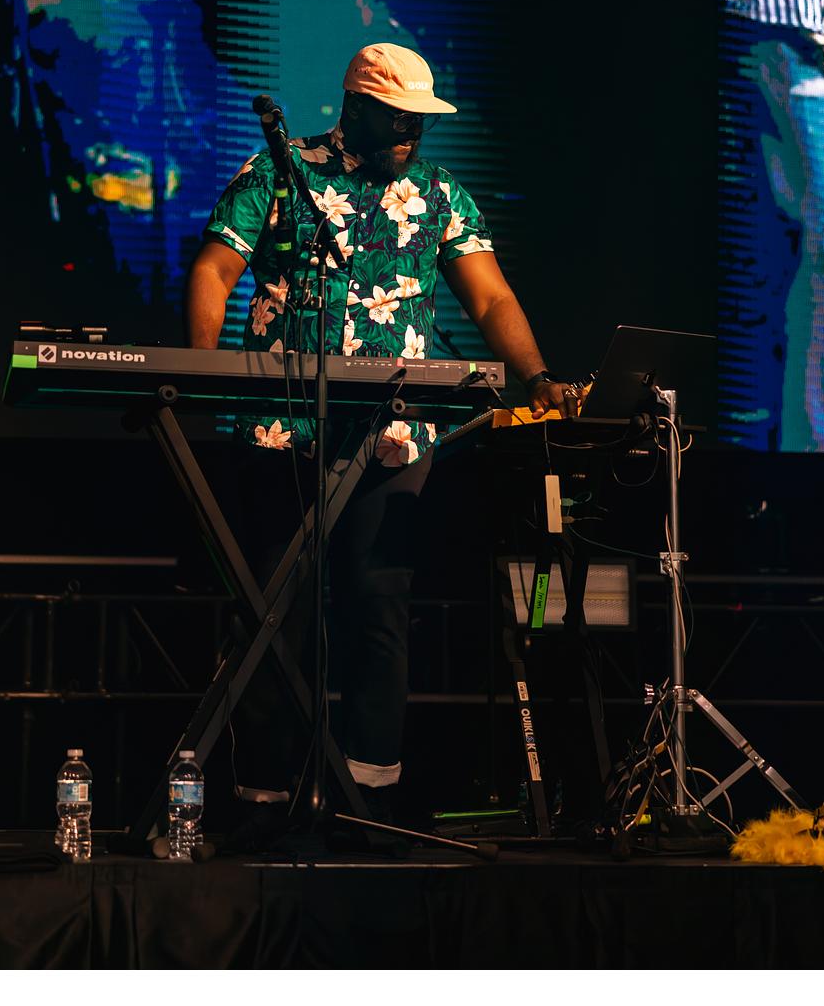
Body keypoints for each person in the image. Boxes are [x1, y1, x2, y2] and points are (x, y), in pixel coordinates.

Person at [186, 42, 580, 838]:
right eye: (398, 117)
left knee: (379, 605)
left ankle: (369, 798)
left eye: (418, 121)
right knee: (276, 608)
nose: (410, 132)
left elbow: (491, 297)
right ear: (356, 106)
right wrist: (201, 376)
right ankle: (261, 797)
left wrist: (537, 377)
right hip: (283, 425)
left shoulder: (438, 194)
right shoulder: (281, 173)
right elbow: (213, 272)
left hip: (395, 433)